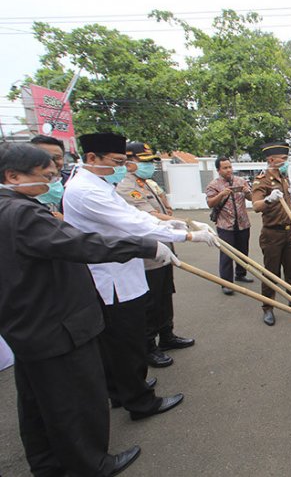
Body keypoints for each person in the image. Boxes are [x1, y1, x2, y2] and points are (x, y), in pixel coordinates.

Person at [0, 143, 178, 476]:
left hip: (27, 325)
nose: (55, 180)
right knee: (75, 400)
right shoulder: (22, 213)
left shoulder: (11, 207)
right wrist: (145, 246)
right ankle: (91, 464)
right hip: (57, 325)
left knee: (37, 403)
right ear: (13, 176)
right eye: (47, 175)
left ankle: (47, 463)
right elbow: (83, 243)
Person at [63, 132, 215, 420]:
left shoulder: (100, 183)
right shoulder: (86, 190)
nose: (122, 167)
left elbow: (141, 217)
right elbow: (133, 223)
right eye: (117, 162)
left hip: (122, 271)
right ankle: (140, 401)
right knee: (126, 341)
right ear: (92, 158)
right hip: (112, 280)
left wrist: (181, 227)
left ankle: (122, 391)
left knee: (118, 342)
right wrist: (188, 236)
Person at [117, 142, 195, 369]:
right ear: (129, 161)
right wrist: (188, 228)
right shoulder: (125, 187)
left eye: (152, 161)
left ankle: (167, 335)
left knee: (165, 294)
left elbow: (165, 209)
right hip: (147, 254)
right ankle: (150, 346)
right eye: (145, 161)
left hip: (164, 248)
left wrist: (174, 221)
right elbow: (150, 216)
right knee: (150, 301)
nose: (150, 165)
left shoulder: (146, 183)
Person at [251, 141, 291, 326]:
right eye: (284, 159)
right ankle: (268, 307)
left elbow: (289, 202)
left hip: (289, 232)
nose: (287, 162)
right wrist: (269, 200)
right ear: (271, 159)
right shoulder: (262, 180)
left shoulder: (284, 177)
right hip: (272, 234)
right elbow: (256, 206)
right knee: (272, 273)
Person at [205, 155, 254, 295]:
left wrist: (247, 192)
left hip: (243, 223)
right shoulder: (213, 185)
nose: (228, 170)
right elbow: (210, 203)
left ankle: (241, 273)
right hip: (225, 225)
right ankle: (226, 283)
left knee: (243, 251)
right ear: (218, 170)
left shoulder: (241, 181)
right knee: (226, 254)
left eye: (230, 167)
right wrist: (221, 195)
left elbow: (251, 198)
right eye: (225, 168)